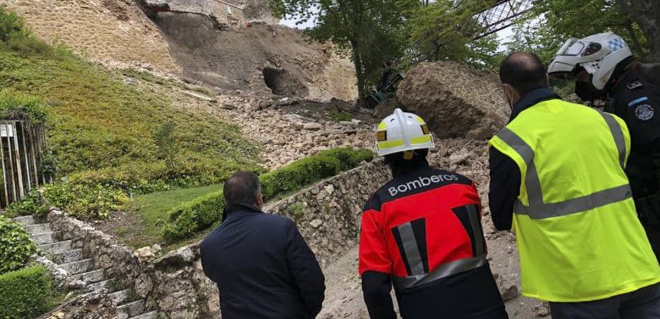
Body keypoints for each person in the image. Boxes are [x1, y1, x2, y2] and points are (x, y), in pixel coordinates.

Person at [490, 52, 660, 318]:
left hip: (577, 285)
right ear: (546, 78)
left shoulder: (510, 142)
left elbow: (500, 218)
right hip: (639, 266)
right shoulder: (609, 122)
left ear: (507, 91)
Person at [359, 108, 507, 319]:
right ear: (426, 148)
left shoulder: (378, 207)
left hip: (423, 307)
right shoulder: (464, 186)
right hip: (485, 301)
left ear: (386, 157)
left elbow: (374, 287)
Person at [548, 32, 660, 259]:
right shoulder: (620, 94)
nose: (580, 83)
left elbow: (654, 149)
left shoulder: (636, 97)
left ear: (599, 66)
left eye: (580, 74)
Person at [200, 171, 325, 319]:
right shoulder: (281, 227)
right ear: (258, 198)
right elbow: (311, 279)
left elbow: (215, 275)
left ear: (227, 202)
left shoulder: (209, 245)